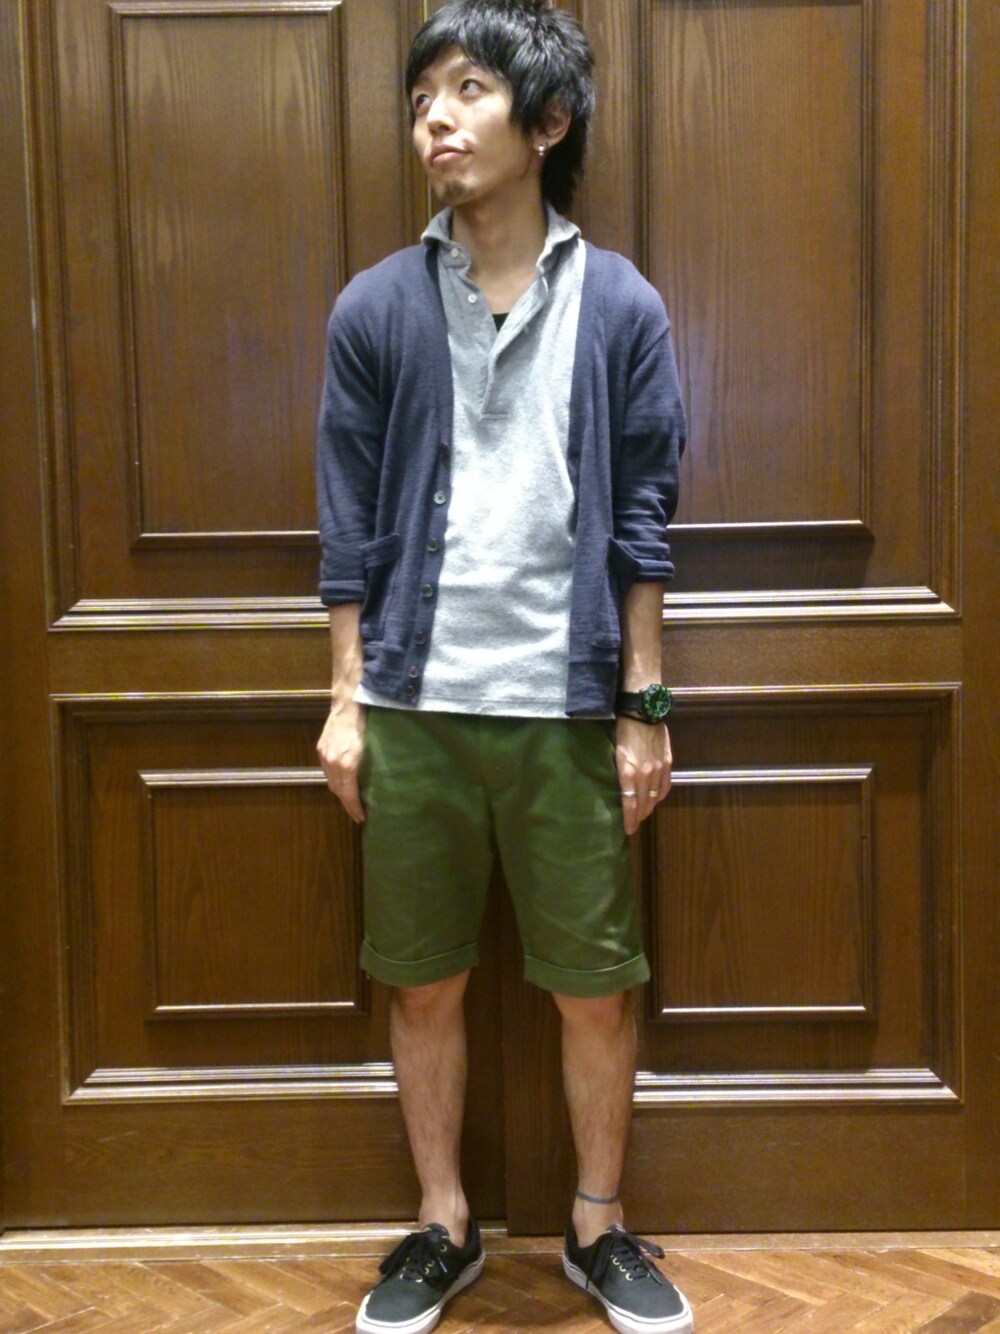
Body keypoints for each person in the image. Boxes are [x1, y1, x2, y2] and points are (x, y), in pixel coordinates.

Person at [316, 2, 689, 1330]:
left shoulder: (622, 304)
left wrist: (644, 706)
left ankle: (598, 1223)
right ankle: (444, 1221)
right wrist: (347, 697)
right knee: (422, 977)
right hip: (413, 703)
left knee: (596, 985)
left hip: (568, 706)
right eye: (422, 94)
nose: (435, 116)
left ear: (548, 122)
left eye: (469, 88)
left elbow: (645, 518)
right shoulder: (375, 307)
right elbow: (345, 522)